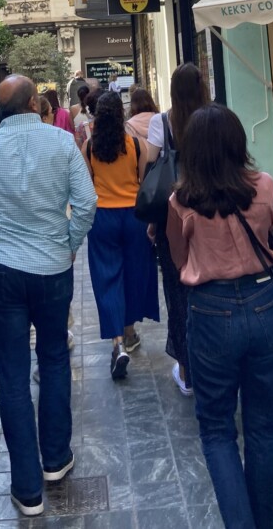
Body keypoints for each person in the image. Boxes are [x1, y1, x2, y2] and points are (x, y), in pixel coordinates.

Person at [0, 75, 96, 518]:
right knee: (54, 360)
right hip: (52, 269)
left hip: (2, 272)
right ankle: (56, 459)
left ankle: (27, 488)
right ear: (33, 104)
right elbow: (87, 203)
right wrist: (68, 244)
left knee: (11, 376)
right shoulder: (61, 142)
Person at [167, 104, 273, 529]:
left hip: (211, 309)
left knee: (217, 429)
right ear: (238, 142)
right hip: (266, 303)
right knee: (263, 427)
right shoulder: (265, 186)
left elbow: (179, 260)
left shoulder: (181, 201)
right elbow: (269, 231)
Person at [82, 90, 159, 379]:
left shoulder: (89, 147)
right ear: (121, 115)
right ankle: (129, 331)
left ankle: (117, 342)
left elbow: (88, 183)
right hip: (133, 216)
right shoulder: (136, 145)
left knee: (107, 277)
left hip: (103, 216)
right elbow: (143, 182)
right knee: (133, 273)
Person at [146, 62, 210, 396]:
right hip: (212, 212)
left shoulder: (161, 122)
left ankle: (186, 371)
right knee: (211, 286)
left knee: (177, 290)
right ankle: (213, 361)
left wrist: (153, 222)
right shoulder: (213, 118)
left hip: (172, 215)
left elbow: (149, 168)